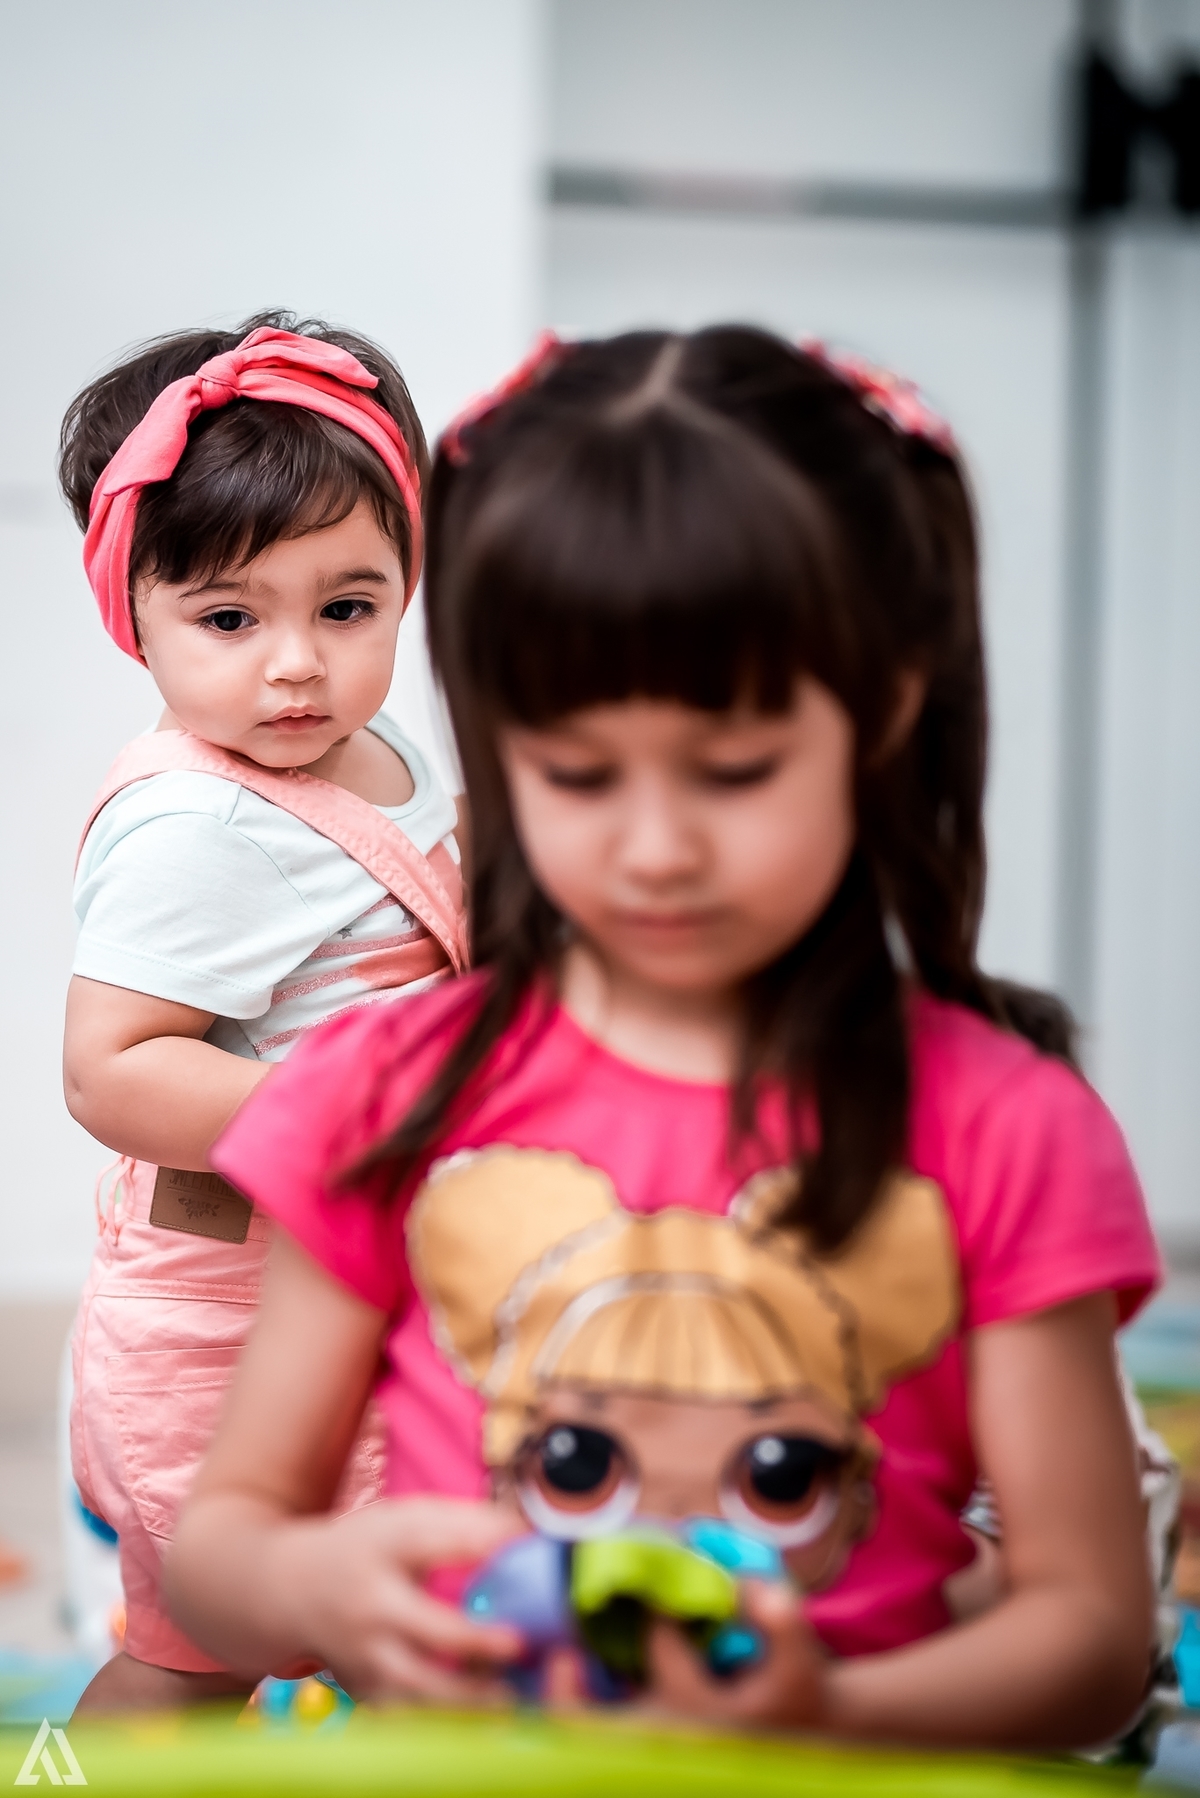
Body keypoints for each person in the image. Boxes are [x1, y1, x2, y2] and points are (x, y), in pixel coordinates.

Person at [167, 327, 1159, 1748]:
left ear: (879, 718)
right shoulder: (392, 1087)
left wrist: (828, 1705)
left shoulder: (1005, 1123)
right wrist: (315, 1575)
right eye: (576, 772)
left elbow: (1091, 1640)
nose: (655, 847)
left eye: (735, 769)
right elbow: (222, 1553)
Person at [60, 313, 466, 1712]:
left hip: (361, 1282)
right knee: (210, 1650)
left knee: (396, 1620)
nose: (296, 665)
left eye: (347, 609)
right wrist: (388, 1107)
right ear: (138, 616)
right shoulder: (200, 820)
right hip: (239, 1315)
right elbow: (114, 1070)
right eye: (230, 618)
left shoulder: (371, 752)